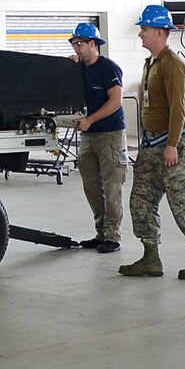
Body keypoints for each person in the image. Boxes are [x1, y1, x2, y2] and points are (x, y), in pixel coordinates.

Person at [119, 5, 185, 280]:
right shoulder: (152, 63)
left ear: (160, 32)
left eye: (145, 29)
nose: (140, 34)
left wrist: (172, 144)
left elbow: (178, 109)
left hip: (170, 144)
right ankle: (150, 257)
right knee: (141, 201)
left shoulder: (172, 64)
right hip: (152, 145)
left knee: (181, 200)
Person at [67, 22, 126, 254]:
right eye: (74, 44)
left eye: (80, 44)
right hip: (88, 136)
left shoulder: (108, 69)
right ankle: (101, 232)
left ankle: (113, 236)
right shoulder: (79, 68)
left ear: (93, 44)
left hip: (110, 134)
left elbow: (115, 101)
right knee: (92, 186)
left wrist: (90, 120)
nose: (77, 48)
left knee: (112, 186)